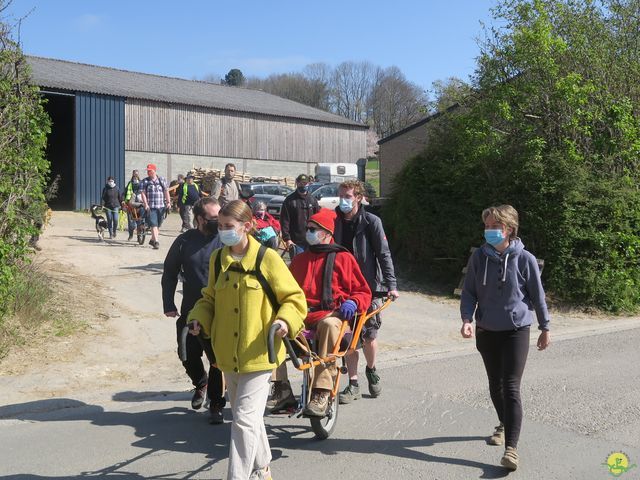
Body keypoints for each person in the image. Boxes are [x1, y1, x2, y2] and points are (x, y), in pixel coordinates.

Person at [187, 200, 306, 480]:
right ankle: (263, 467)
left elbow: (294, 298)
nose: (224, 232)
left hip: (259, 354)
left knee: (242, 419)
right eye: (221, 226)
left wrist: (284, 321)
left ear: (247, 227)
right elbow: (209, 298)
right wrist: (198, 318)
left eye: (229, 227)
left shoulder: (268, 258)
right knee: (249, 418)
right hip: (227, 354)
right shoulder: (218, 259)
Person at [460, 204, 551, 471]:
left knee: (510, 387)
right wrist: (466, 319)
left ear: (509, 229)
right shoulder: (479, 258)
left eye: (494, 227)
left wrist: (545, 327)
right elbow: (469, 293)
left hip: (515, 330)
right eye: (486, 227)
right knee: (495, 385)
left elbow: (537, 296)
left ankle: (511, 448)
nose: (488, 231)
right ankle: (503, 422)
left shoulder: (525, 259)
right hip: (487, 330)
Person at [269, 209, 372, 417]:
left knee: (327, 325)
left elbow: (363, 291)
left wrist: (353, 301)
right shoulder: (299, 260)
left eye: (313, 229)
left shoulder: (344, 258)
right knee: (274, 328)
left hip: (332, 314)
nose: (308, 232)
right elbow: (284, 291)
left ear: (326, 233)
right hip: (302, 315)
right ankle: (282, 387)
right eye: (308, 228)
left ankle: (321, 392)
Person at [333, 180, 399, 404]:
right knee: (347, 336)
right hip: (341, 288)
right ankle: (352, 383)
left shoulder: (371, 222)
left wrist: (391, 285)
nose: (343, 199)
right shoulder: (334, 221)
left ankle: (371, 369)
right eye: (341, 195)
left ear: (359, 197)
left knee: (369, 336)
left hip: (367, 287)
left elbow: (384, 254)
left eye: (348, 195)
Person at [162, 197, 227, 424]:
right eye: (213, 219)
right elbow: (169, 273)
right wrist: (168, 304)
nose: (219, 222)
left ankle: (217, 404)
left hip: (219, 312)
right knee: (186, 353)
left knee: (217, 359)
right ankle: (200, 383)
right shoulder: (184, 242)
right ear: (199, 219)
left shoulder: (225, 241)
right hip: (190, 310)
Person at [280, 174, 319, 258]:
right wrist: (287, 239)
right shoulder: (290, 200)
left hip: (311, 240)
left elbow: (318, 219)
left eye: (305, 183)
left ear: (308, 184)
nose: (303, 185)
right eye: (300, 183)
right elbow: (284, 221)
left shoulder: (313, 200)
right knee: (297, 267)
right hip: (296, 242)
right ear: (297, 183)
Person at [139, 163, 171, 250]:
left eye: (150, 171)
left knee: (158, 224)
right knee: (153, 224)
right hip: (151, 207)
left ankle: (152, 240)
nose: (149, 172)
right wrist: (145, 204)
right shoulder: (144, 181)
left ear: (154, 170)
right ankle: (156, 242)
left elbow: (166, 191)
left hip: (161, 206)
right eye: (148, 171)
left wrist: (168, 202)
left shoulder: (162, 180)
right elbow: (143, 194)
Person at [123, 170, 142, 241]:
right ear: (132, 175)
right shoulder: (129, 183)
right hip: (130, 205)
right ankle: (130, 235)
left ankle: (139, 237)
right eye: (134, 175)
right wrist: (123, 201)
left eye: (136, 175)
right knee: (131, 223)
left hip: (139, 205)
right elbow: (125, 193)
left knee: (139, 221)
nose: (135, 176)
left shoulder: (141, 183)